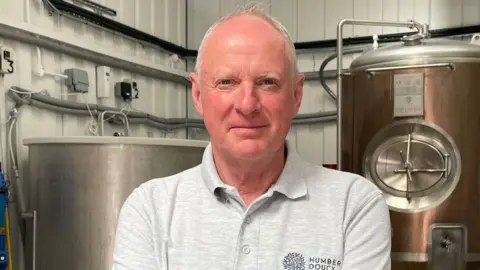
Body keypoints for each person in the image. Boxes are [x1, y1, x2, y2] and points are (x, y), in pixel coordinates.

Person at [112, 3, 391, 270]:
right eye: (227, 82)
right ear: (198, 95)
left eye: (267, 82)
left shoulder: (354, 206)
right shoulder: (151, 210)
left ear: (296, 95)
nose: (247, 105)